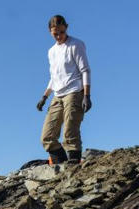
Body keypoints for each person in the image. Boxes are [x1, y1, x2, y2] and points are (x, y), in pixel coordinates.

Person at [36, 14, 91, 164]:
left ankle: (73, 167)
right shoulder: (51, 52)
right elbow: (54, 77)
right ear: (50, 32)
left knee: (70, 132)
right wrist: (45, 97)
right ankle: (60, 166)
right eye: (55, 34)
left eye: (61, 32)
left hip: (74, 92)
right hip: (57, 95)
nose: (59, 36)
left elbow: (85, 70)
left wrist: (87, 95)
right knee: (47, 136)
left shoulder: (76, 45)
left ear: (66, 28)